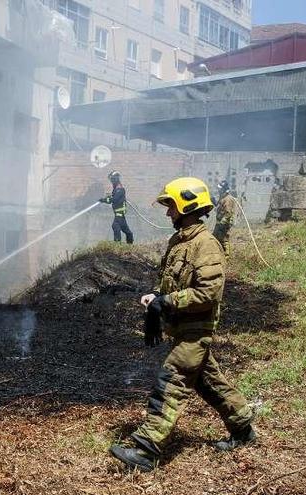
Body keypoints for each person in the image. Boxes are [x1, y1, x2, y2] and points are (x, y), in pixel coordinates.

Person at [108, 177, 256, 473]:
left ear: (187, 206)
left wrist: (169, 302)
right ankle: (243, 428)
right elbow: (175, 283)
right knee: (209, 382)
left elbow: (208, 293)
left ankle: (147, 450)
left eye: (171, 206)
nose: (167, 213)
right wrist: (157, 297)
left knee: (171, 381)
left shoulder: (206, 245)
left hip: (196, 331)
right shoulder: (180, 242)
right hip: (181, 329)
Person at [99, 171, 134, 244]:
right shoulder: (116, 189)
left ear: (116, 179)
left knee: (115, 226)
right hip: (120, 215)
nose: (111, 181)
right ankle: (130, 245)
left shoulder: (120, 189)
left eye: (112, 179)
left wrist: (104, 200)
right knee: (128, 232)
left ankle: (117, 246)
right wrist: (106, 198)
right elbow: (113, 198)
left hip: (119, 214)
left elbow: (114, 199)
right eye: (111, 179)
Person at [213, 180, 238, 259]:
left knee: (224, 239)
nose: (218, 190)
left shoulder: (228, 199)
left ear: (223, 189)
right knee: (215, 237)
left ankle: (227, 256)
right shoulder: (223, 197)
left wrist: (222, 223)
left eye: (220, 188)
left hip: (224, 222)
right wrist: (213, 201)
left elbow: (228, 213)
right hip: (220, 221)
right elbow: (219, 206)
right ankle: (219, 253)